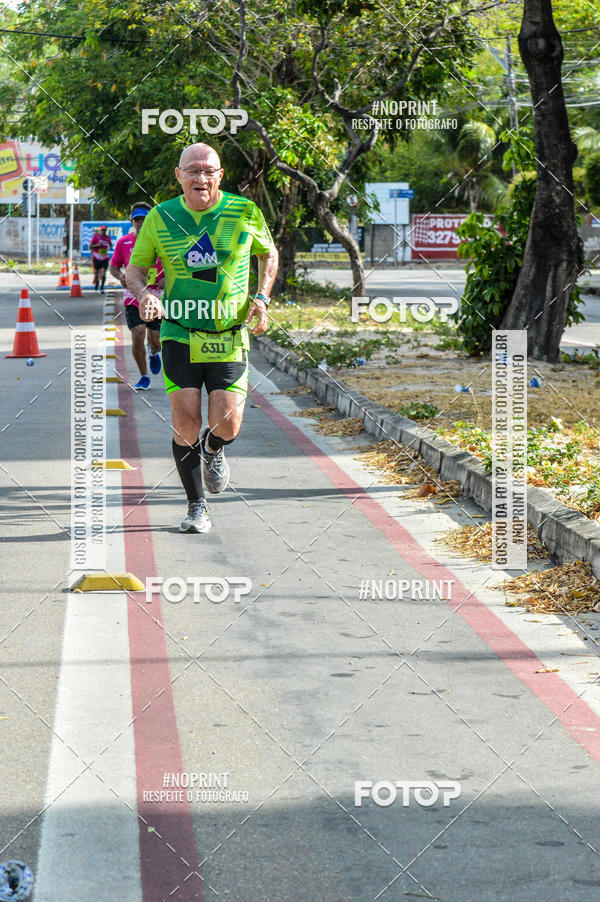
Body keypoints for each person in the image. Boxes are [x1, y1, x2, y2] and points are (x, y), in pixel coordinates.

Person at [126, 142, 278, 534]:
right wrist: (144, 294)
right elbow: (134, 270)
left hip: (228, 335)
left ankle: (213, 448)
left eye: (209, 170)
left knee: (227, 424)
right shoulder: (161, 217)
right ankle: (197, 506)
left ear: (220, 175)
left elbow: (269, 253)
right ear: (179, 175)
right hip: (179, 331)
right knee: (185, 423)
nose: (201, 177)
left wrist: (262, 298)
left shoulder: (244, 211)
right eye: (193, 170)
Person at [110, 203, 165, 391]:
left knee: (156, 340)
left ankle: (153, 351)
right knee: (138, 333)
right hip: (133, 294)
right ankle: (143, 376)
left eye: (144, 219)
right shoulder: (123, 242)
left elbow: (173, 264)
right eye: (137, 219)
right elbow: (114, 267)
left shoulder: (160, 240)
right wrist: (120, 276)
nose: (141, 223)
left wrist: (166, 278)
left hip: (156, 296)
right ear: (131, 221)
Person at [89, 225, 113, 292]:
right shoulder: (96, 237)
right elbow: (90, 246)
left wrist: (110, 246)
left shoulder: (107, 237)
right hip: (97, 257)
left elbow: (110, 245)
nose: (103, 231)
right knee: (96, 272)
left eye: (104, 230)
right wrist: (97, 245)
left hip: (105, 257)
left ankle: (102, 287)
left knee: (103, 272)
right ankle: (97, 284)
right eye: (102, 230)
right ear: (100, 230)